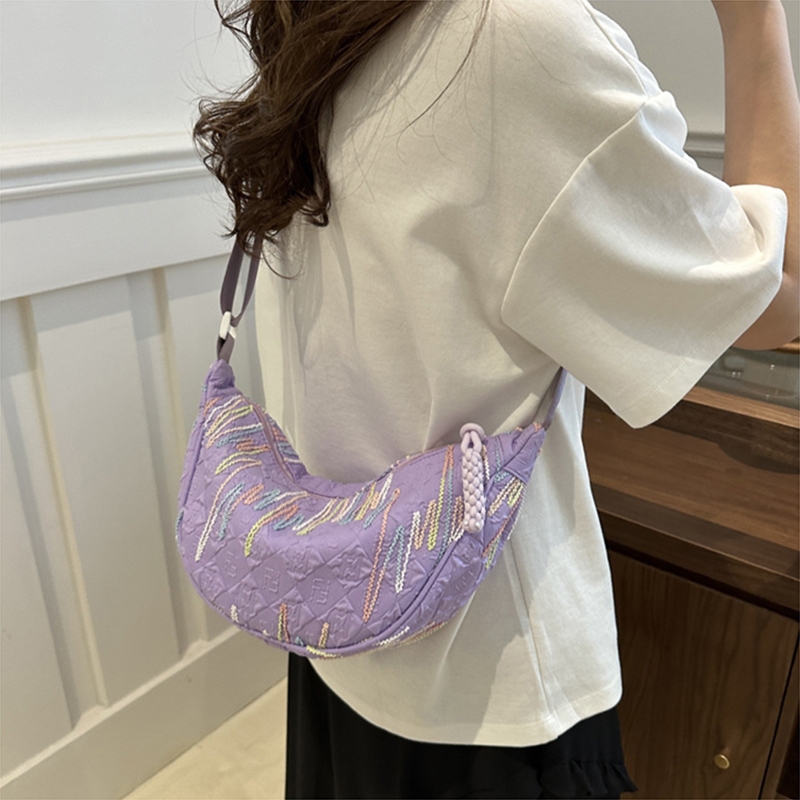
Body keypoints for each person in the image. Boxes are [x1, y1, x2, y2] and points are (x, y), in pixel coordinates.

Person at [194, 1, 798, 797]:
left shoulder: (317, 24)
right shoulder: (519, 37)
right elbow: (777, 297)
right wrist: (754, 19)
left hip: (337, 626)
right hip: (485, 686)